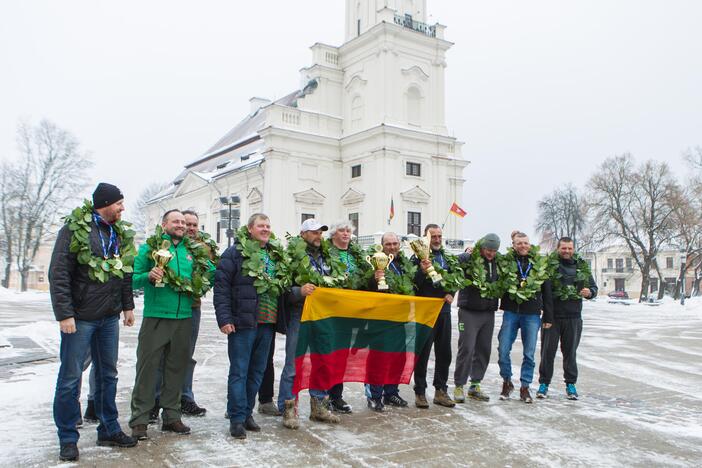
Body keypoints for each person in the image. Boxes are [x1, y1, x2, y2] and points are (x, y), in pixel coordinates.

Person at [49, 182, 138, 461]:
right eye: (119, 203)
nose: (123, 207)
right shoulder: (75, 230)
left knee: (108, 374)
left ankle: (108, 428)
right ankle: (67, 438)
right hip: (81, 318)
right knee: (70, 377)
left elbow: (124, 273)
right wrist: (65, 314)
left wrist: (127, 306)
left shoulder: (117, 233)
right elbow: (59, 273)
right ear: (105, 203)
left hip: (109, 318)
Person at [129, 209, 215, 440]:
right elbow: (131, 278)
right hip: (157, 315)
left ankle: (172, 416)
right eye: (175, 221)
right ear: (164, 224)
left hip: (184, 316)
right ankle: (140, 419)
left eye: (183, 222)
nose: (181, 225)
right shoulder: (150, 248)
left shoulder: (192, 250)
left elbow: (211, 273)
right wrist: (148, 275)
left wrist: (206, 281)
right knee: (147, 369)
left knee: (177, 368)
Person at [214, 213, 288, 439]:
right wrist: (225, 319)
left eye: (268, 225)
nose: (265, 229)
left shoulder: (275, 255)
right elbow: (222, 288)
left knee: (257, 372)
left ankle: (247, 413)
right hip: (243, 323)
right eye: (260, 226)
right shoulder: (234, 254)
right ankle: (236, 418)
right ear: (249, 229)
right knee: (239, 371)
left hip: (267, 322)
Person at [151, 210, 215, 419]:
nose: (191, 228)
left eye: (195, 225)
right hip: (165, 307)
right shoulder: (165, 246)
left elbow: (213, 272)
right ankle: (156, 399)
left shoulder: (202, 249)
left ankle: (185, 397)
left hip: (191, 307)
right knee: (161, 356)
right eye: (187, 224)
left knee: (185, 355)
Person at [278, 219, 340, 429]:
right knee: (293, 363)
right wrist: (298, 291)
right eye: (314, 233)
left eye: (320, 233)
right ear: (303, 234)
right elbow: (281, 289)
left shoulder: (328, 257)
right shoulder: (290, 257)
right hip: (300, 314)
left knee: (322, 361)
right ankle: (288, 409)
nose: (318, 236)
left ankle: (319, 407)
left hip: (323, 316)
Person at [319, 220, 372, 413]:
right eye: (341, 230)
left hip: (351, 313)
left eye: (348, 230)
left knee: (341, 356)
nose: (345, 233)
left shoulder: (356, 255)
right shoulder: (325, 254)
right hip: (331, 312)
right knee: (327, 356)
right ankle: (322, 396)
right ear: (333, 234)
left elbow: (366, 280)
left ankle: (336, 396)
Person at [537, 237, 597, 400]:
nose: (567, 251)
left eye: (569, 248)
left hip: (573, 317)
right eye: (563, 248)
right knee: (547, 352)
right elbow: (540, 289)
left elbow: (593, 287)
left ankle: (571, 384)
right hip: (552, 317)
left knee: (570, 352)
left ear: (573, 249)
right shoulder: (548, 266)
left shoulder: (581, 266)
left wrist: (590, 292)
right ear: (558, 248)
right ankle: (544, 384)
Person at [497, 231, 553, 404]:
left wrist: (548, 316)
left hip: (532, 313)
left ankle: (525, 387)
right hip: (511, 311)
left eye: (525, 243)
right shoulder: (505, 262)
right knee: (503, 349)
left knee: (529, 353)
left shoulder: (539, 263)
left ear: (530, 245)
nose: (523, 246)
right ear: (513, 245)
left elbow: (547, 292)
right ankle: (507, 381)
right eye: (519, 243)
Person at [365, 232, 416, 411]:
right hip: (379, 317)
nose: (392, 247)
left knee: (397, 357)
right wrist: (374, 278)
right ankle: (374, 395)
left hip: (399, 317)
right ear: (382, 245)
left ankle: (391, 392)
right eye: (388, 244)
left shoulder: (404, 264)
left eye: (395, 244)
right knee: (378, 358)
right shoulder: (373, 261)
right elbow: (365, 286)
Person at [411, 224, 459, 408]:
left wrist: (451, 293)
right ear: (425, 238)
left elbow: (455, 277)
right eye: (433, 236)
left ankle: (441, 390)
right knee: (423, 353)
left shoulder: (447, 257)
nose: (437, 239)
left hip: (443, 311)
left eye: (439, 236)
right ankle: (420, 392)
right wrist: (422, 272)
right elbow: (411, 282)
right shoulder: (416, 258)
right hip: (424, 311)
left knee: (444, 353)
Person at [454, 233, 501, 403]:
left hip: (488, 312)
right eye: (488, 249)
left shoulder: (498, 261)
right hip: (469, 311)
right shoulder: (469, 259)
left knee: (483, 349)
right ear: (482, 247)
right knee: (466, 347)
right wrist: (468, 253)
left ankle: (475, 384)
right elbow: (453, 262)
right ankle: (459, 385)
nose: (491, 253)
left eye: (494, 250)